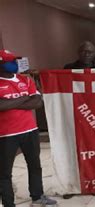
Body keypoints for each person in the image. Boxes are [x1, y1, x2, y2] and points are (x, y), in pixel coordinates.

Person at [0, 50, 57, 207]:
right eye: (9, 61)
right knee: (4, 172)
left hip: (30, 130)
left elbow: (38, 102)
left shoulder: (24, 79)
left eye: (15, 60)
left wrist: (11, 103)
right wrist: (25, 98)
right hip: (5, 135)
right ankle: (8, 204)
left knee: (34, 166)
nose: (14, 64)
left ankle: (37, 197)